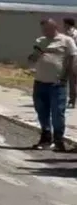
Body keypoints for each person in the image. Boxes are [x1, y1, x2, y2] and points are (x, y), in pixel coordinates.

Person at [28, 18, 76, 151]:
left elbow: (71, 61)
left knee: (57, 113)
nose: (45, 32)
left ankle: (58, 141)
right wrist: (33, 57)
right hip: (40, 81)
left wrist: (66, 79)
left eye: (47, 29)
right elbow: (33, 58)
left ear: (55, 28)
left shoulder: (66, 41)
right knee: (41, 111)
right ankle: (45, 138)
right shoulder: (40, 41)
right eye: (43, 29)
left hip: (57, 83)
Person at [65, 18, 77, 108]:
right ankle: (72, 100)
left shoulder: (70, 34)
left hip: (73, 58)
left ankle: (72, 100)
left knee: (72, 80)